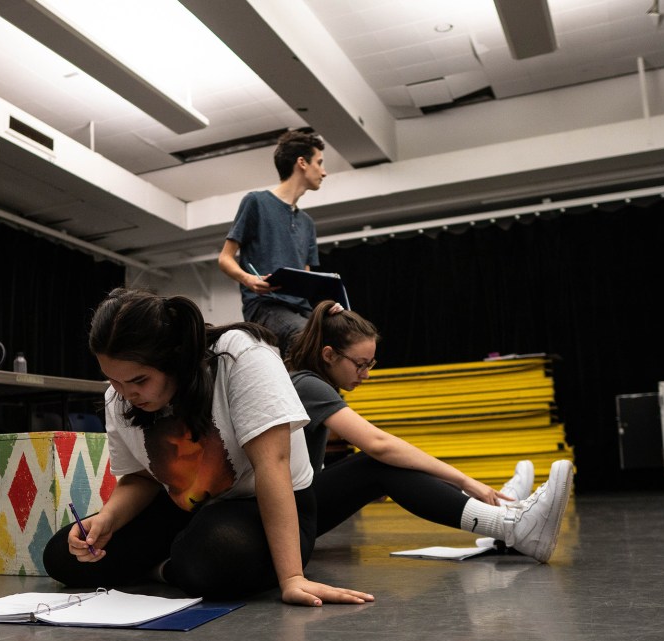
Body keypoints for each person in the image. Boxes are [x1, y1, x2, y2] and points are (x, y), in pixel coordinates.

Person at [42, 288, 373, 606]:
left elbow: (273, 463)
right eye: (113, 380)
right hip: (189, 508)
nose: (125, 393)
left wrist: (292, 578)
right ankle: (173, 566)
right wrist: (108, 519)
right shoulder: (120, 395)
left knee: (217, 555)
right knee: (63, 557)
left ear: (175, 360)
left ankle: (168, 565)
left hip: (260, 503)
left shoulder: (240, 355)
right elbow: (140, 478)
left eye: (139, 380)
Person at [285, 300, 573, 563]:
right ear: (328, 355)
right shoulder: (308, 385)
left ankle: (502, 513)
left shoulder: (309, 383)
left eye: (370, 364)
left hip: (296, 514)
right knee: (378, 462)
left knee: (383, 466)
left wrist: (356, 487)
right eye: (360, 365)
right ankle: (509, 524)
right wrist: (466, 480)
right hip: (286, 523)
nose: (367, 374)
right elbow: (378, 444)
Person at [218, 130, 327, 354]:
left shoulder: (307, 223)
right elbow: (225, 258)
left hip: (300, 308)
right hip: (265, 305)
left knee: (337, 339)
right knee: (304, 338)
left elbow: (305, 278)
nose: (324, 172)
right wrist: (249, 280)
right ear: (302, 163)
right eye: (320, 162)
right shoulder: (256, 202)